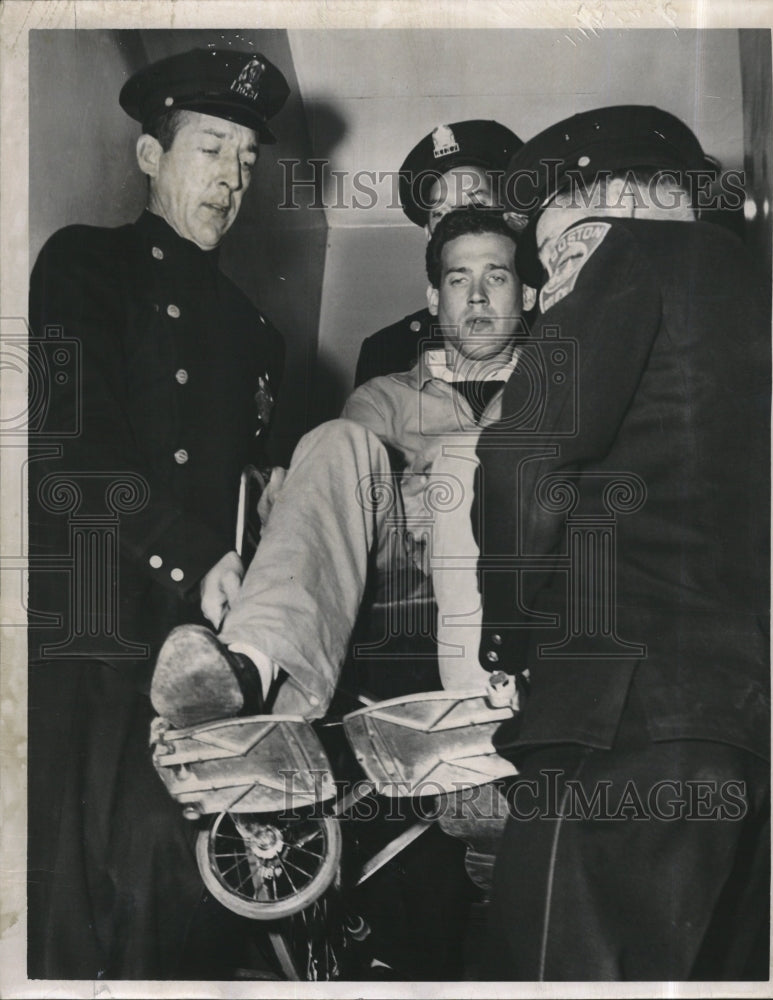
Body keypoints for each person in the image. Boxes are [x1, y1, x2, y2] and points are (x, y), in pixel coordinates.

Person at [471, 106, 771, 980]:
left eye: (567, 248)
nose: (556, 286)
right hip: (741, 738)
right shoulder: (754, 298)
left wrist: (510, 635)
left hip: (616, 725)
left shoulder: (638, 258)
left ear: (635, 199)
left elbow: (518, 458)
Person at [27, 47, 289, 978]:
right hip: (98, 626)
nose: (233, 179)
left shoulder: (260, 334)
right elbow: (68, 447)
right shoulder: (82, 265)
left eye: (248, 162)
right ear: (150, 157)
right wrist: (194, 555)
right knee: (81, 898)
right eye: (213, 149)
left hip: (199, 651)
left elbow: (262, 496)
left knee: (183, 892)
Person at [152, 207, 537, 723]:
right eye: (457, 278)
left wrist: (450, 476)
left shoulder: (558, 393)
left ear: (528, 294)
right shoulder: (382, 397)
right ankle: (249, 673)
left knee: (467, 458)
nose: (476, 295)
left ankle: (479, 708)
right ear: (433, 299)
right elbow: (348, 496)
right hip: (396, 565)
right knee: (337, 439)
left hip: (516, 562)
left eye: (497, 275)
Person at [354, 120, 523, 386]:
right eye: (441, 214)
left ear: (510, 217)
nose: (459, 225)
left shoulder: (562, 331)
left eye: (477, 205)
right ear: (430, 235)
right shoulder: (388, 351)